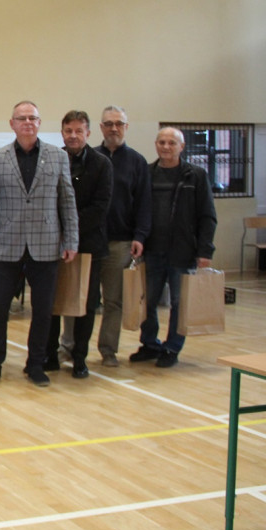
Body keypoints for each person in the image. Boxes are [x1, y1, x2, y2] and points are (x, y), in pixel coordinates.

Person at [0, 101, 78, 387]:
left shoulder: (58, 157)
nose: (28, 123)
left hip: (46, 245)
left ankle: (36, 364)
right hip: (7, 244)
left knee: (43, 310)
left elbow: (67, 201)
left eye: (33, 118)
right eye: (22, 118)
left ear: (40, 123)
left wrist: (71, 239)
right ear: (12, 124)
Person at [130, 128, 217, 368]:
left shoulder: (195, 176)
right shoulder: (146, 173)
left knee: (180, 303)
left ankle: (172, 347)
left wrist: (204, 251)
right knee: (147, 301)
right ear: (156, 145)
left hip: (183, 252)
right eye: (161, 142)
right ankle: (149, 343)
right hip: (152, 250)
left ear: (182, 146)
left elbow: (208, 216)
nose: (166, 146)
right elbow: (136, 210)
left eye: (171, 142)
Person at [45, 111, 113, 379]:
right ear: (62, 133)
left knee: (86, 304)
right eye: (68, 131)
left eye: (78, 131)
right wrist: (59, 233)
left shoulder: (102, 164)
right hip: (52, 244)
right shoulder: (51, 158)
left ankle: (80, 358)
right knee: (51, 301)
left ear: (88, 133)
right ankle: (50, 356)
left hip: (89, 244)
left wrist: (70, 231)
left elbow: (100, 206)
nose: (73, 135)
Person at [96, 106, 151, 367]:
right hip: (88, 242)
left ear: (126, 127)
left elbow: (144, 204)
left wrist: (139, 236)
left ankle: (108, 349)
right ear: (101, 128)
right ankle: (70, 347)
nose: (113, 128)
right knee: (78, 296)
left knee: (114, 301)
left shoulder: (137, 162)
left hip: (121, 242)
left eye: (119, 123)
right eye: (108, 123)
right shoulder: (90, 157)